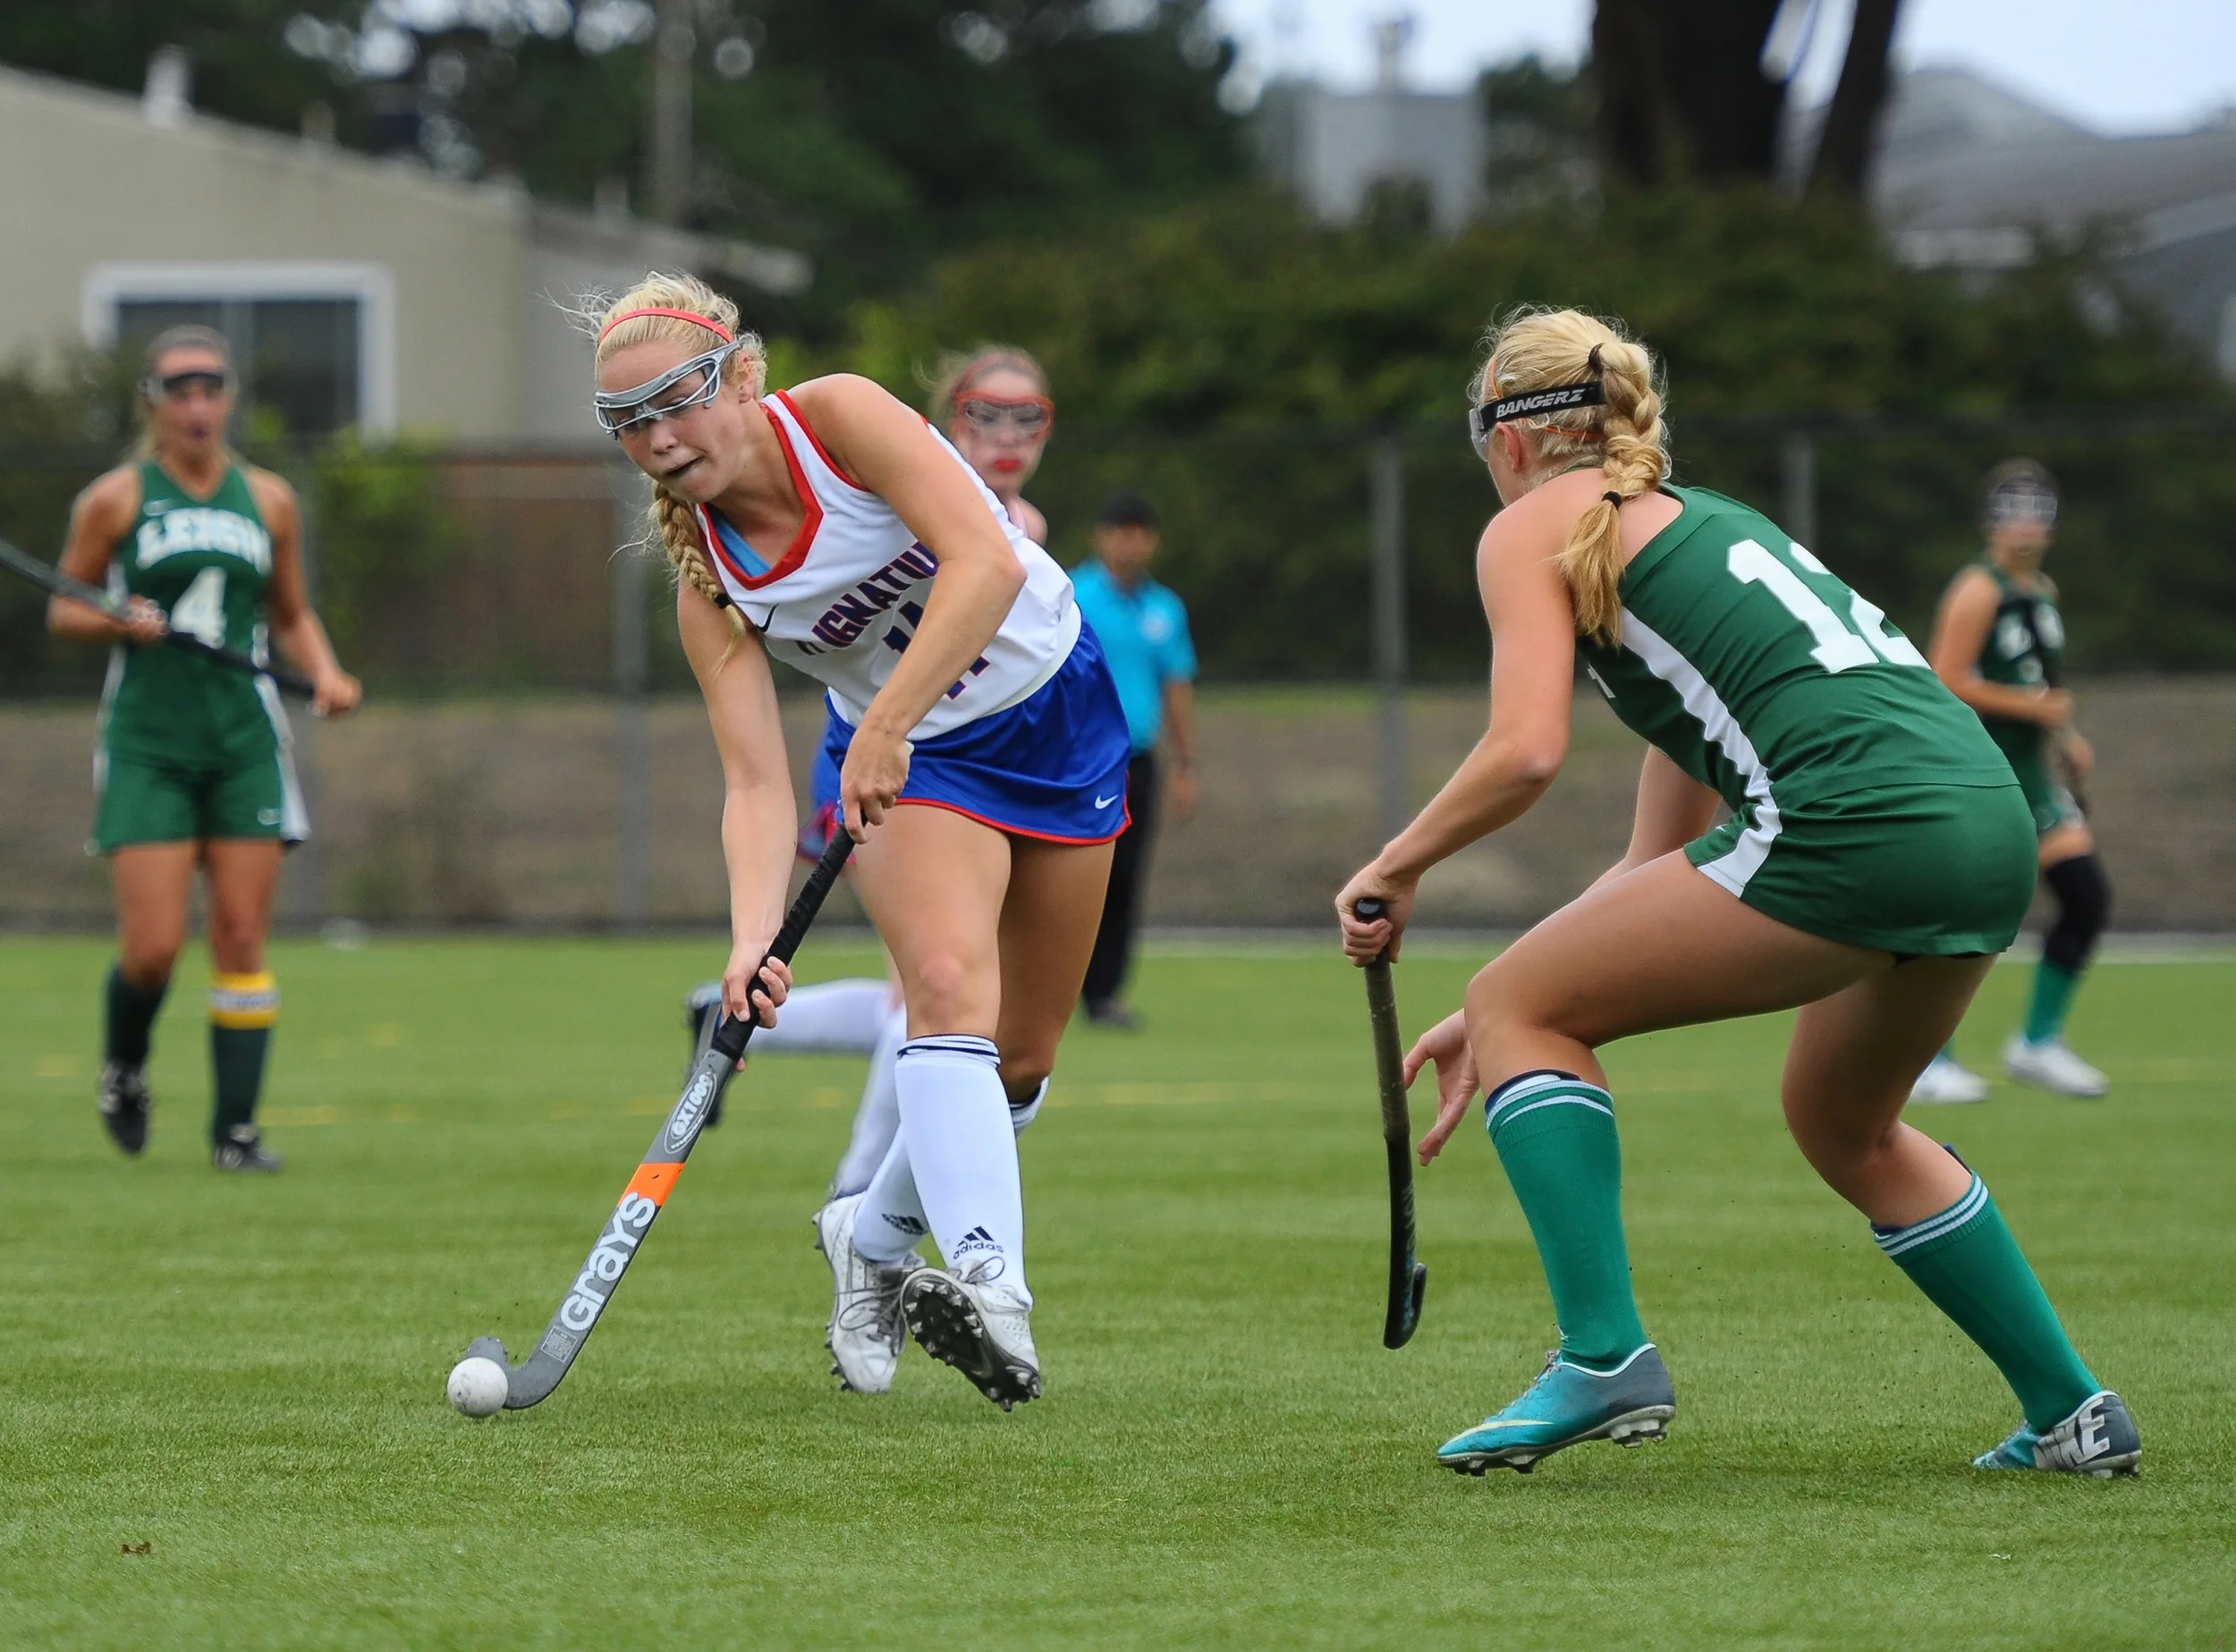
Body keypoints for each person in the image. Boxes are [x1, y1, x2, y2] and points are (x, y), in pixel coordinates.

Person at [1335, 307, 2138, 1478]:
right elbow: (1650, 865)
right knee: (1844, 1123)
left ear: (1508, 437)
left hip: (1859, 820)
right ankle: (2072, 1410)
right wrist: (1499, 1014)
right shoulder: (1695, 530)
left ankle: (1603, 1354)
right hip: (1987, 822)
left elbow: (1524, 750)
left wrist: (1396, 866)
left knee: (1524, 999)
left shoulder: (1532, 527)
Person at [596, 276, 1128, 1409]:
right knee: (945, 987)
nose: (658, 437)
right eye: (628, 421)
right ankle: (990, 1285)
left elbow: (985, 562)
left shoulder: (837, 416)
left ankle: (871, 1236)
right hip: (913, 769)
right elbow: (751, 781)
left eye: (675, 400)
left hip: (1058, 710)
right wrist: (750, 939)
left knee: (1022, 1061)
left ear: (741, 374)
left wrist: (887, 719)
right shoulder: (708, 582)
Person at [680, 344, 1061, 1221]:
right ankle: (855, 1194)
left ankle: (862, 1204)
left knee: (985, 1018)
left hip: (997, 746)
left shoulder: (1028, 526)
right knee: (930, 989)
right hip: (878, 755)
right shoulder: (876, 459)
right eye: (986, 414)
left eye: (1028, 416)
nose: (1006, 434)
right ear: (950, 418)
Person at [46, 325, 361, 1172]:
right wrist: (116, 617)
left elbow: (290, 611)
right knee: (152, 949)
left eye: (211, 387)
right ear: (151, 400)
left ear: (229, 399)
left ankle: (236, 1134)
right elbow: (65, 606)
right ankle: (125, 1066)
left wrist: (326, 673)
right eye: (179, 388)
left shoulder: (270, 500)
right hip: (148, 742)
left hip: (243, 743)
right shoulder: (115, 498)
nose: (197, 404)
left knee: (241, 935)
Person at [1910, 462, 2109, 1104]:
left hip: (2031, 772)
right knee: (1964, 912)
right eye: (2011, 511)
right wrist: (2034, 710)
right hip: (1981, 770)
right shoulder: (1978, 589)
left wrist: (2066, 736)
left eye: (2037, 512)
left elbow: (2039, 679)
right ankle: (1927, 1061)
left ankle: (2037, 1044)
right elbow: (1945, 679)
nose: (2024, 525)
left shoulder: (2042, 590)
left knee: (2086, 895)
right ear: (1989, 521)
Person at [1070, 492, 1199, 1029]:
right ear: (1101, 537)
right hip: (1077, 760)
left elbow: (1176, 686)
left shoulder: (1164, 609)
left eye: (1140, 533)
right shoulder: (1072, 595)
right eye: (1120, 532)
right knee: (1072, 876)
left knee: (1124, 878)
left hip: (1137, 761)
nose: (1130, 544)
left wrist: (1186, 763)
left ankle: (1104, 995)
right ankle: (1054, 985)